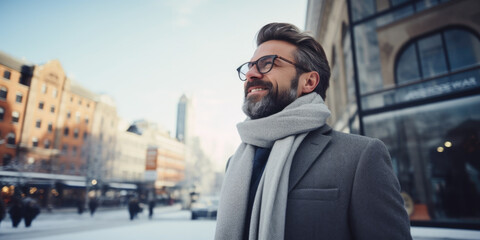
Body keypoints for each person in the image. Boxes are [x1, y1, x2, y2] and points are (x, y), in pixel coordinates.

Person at [215, 23, 412, 240]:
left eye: (267, 63)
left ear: (308, 81)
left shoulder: (361, 156)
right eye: (250, 66)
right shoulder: (235, 163)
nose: (251, 74)